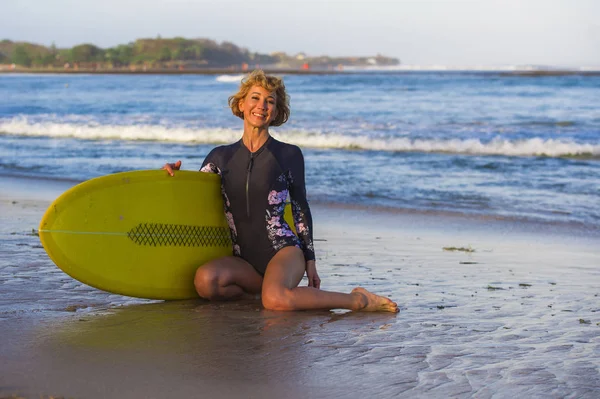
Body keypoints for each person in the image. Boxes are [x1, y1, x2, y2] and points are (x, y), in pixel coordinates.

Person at [163, 70, 398, 313]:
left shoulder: (288, 155)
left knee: (275, 299)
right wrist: (173, 176)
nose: (261, 105)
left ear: (276, 112)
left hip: (283, 252)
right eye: (255, 98)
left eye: (270, 101)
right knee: (206, 282)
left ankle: (358, 300)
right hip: (243, 261)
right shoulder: (220, 157)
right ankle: (268, 295)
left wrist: (310, 261)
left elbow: (300, 208)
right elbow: (196, 197)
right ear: (241, 104)